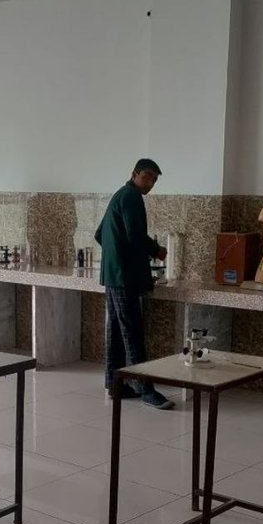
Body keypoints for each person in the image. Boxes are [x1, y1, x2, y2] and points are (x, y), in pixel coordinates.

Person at [96, 158, 174, 410]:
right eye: (147, 177)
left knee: (116, 331)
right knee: (132, 333)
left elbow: (99, 234)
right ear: (134, 174)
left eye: (154, 179)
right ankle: (145, 390)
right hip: (124, 278)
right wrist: (156, 250)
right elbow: (135, 236)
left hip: (112, 275)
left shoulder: (119, 195)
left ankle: (116, 385)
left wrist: (116, 255)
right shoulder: (131, 197)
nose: (150, 183)